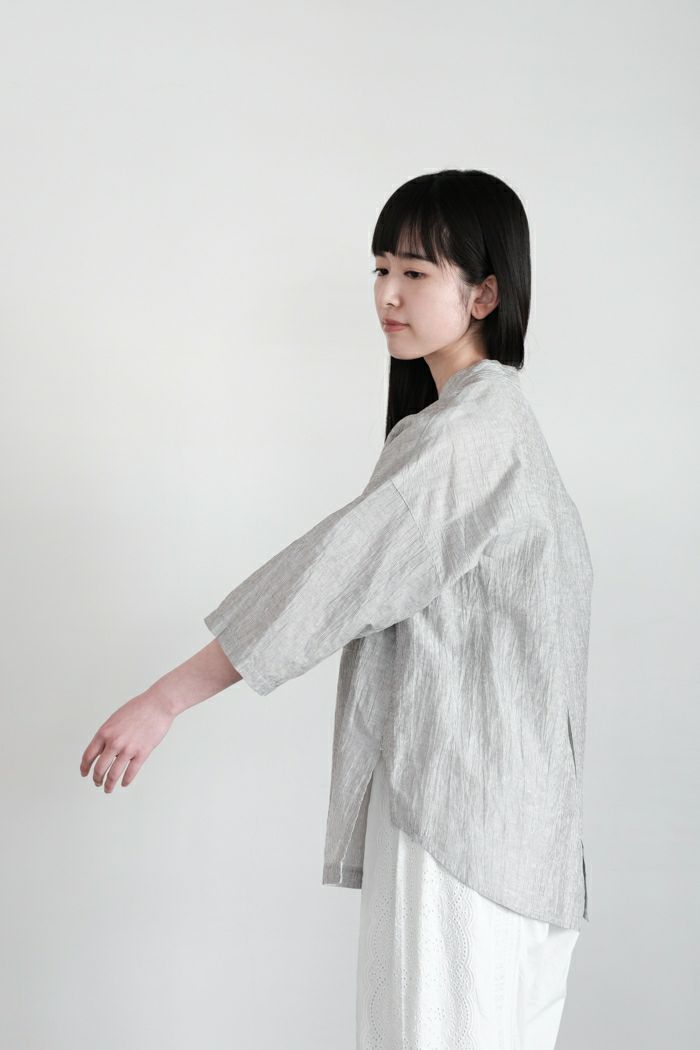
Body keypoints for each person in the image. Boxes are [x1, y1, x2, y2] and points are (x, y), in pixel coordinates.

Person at [80, 168, 593, 1048]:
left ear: (484, 295)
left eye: (415, 273)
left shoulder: (470, 438)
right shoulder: (489, 429)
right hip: (516, 836)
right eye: (380, 269)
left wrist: (166, 699)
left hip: (462, 827)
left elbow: (333, 576)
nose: (387, 295)